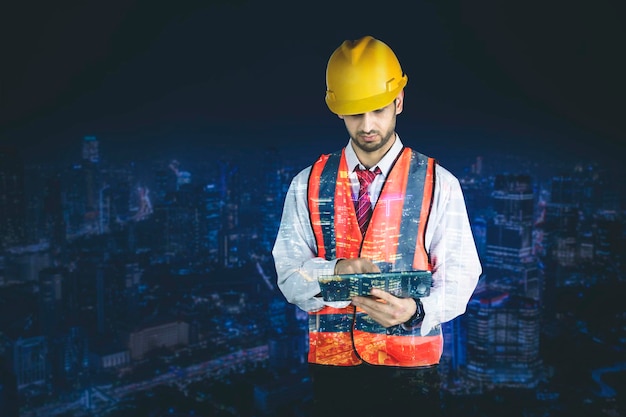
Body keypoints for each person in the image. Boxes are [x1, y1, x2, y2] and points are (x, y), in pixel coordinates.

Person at [272, 35, 482, 417]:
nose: (368, 125)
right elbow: (287, 272)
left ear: (399, 101)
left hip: (411, 369)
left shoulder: (439, 183)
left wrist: (415, 311)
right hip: (333, 367)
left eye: (379, 110)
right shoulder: (306, 184)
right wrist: (334, 271)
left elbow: (462, 272)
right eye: (355, 113)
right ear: (337, 110)